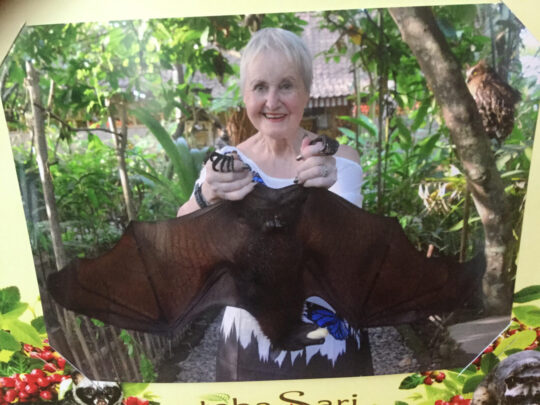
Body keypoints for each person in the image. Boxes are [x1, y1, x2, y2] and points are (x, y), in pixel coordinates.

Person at [177, 27, 372, 381]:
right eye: (260, 87)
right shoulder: (224, 163)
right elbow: (181, 244)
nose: (272, 102)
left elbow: (354, 260)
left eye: (286, 85)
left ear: (307, 91)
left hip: (330, 342)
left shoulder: (340, 161)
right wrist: (205, 195)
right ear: (244, 95)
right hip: (250, 342)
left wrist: (328, 200)